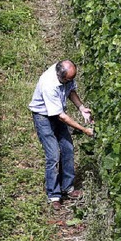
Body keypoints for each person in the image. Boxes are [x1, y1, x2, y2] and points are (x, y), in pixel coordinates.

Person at [29, 59, 94, 210]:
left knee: (68, 149)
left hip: (57, 112)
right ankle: (54, 195)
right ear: (61, 76)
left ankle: (68, 188)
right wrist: (84, 130)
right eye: (68, 79)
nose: (71, 81)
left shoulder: (66, 76)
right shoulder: (49, 85)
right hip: (43, 116)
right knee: (53, 155)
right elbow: (61, 117)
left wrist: (81, 108)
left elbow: (70, 90)